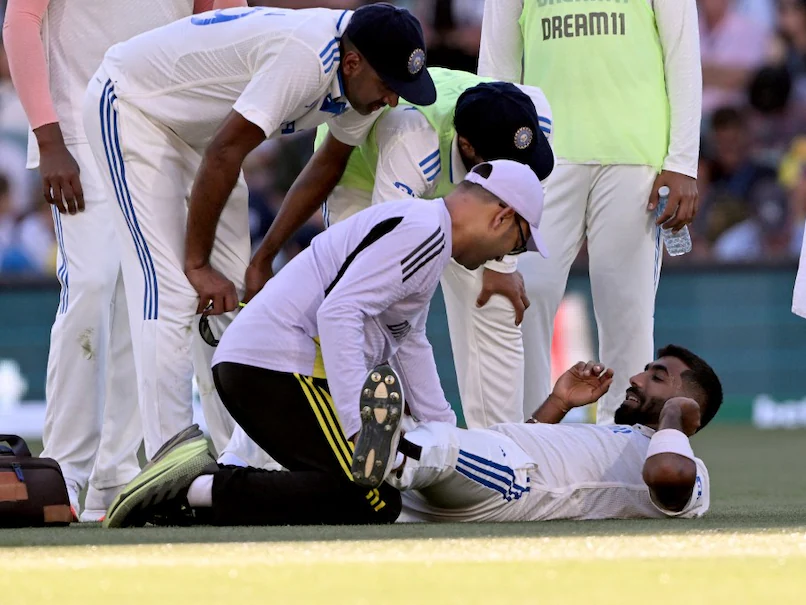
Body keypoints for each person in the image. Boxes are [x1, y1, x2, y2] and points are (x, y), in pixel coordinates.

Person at [100, 159, 550, 528]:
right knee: (372, 499)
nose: (503, 256)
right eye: (517, 244)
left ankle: (193, 497)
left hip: (266, 365)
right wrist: (357, 425)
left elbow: (410, 341)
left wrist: (448, 435)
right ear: (501, 216)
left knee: (361, 493)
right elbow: (340, 312)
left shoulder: (427, 231)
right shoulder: (425, 232)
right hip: (275, 367)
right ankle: (192, 489)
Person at [81, 3, 436, 460]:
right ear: (352, 64)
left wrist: (263, 259)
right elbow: (225, 153)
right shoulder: (307, 57)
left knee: (234, 300)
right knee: (171, 288)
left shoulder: (359, 75)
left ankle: (239, 461)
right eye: (389, 86)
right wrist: (196, 263)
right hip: (134, 105)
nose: (393, 101)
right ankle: (170, 460)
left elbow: (325, 166)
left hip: (203, 136)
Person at [2, 0, 243, 522]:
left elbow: (218, 20)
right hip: (76, 132)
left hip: (163, 130)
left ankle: (115, 474)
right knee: (90, 286)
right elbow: (19, 21)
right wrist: (49, 138)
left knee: (145, 300)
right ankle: (65, 472)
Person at [255, 68, 554, 428]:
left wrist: (501, 265)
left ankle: (499, 444)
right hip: (361, 176)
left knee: (495, 300)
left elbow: (526, 192)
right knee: (365, 309)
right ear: (468, 147)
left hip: (455, 181)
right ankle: (351, 422)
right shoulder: (412, 140)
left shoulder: (532, 113)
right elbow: (395, 275)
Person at [478, 0, 703, 424]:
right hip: (540, 157)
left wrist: (682, 162)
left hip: (635, 156)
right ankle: (524, 438)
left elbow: (682, 53)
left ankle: (621, 444)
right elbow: (496, 66)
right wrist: (499, 168)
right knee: (525, 299)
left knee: (626, 313)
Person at [376, 345, 722, 522]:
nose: (636, 378)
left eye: (657, 377)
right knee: (423, 446)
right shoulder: (623, 435)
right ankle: (379, 455)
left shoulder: (691, 469)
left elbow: (667, 473)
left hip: (512, 482)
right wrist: (558, 403)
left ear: (689, 405)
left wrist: (674, 414)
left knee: (443, 444)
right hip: (489, 467)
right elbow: (525, 445)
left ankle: (397, 451)